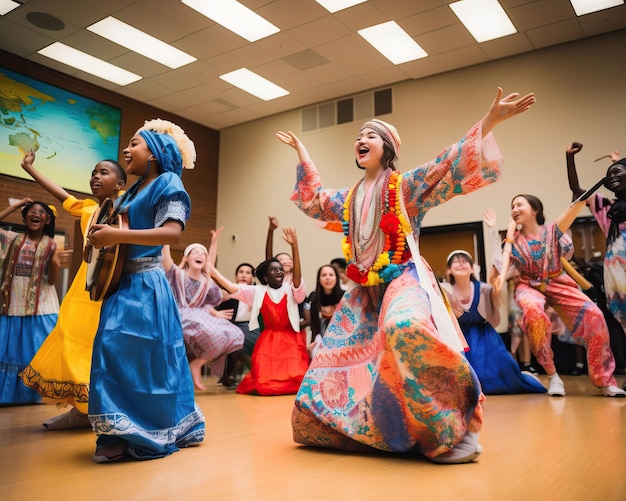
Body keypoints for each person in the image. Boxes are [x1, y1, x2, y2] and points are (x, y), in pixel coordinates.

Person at [277, 86, 536, 464]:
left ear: (388, 148)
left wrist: (490, 120)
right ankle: (380, 432)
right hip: (365, 291)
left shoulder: (406, 186)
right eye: (358, 136)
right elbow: (313, 200)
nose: (361, 140)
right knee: (333, 364)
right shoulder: (347, 199)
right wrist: (303, 153)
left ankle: (454, 428)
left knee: (404, 327)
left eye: (370, 135)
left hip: (404, 278)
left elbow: (446, 163)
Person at [86, 119, 205, 462]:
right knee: (110, 352)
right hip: (120, 285)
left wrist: (114, 236)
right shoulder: (131, 192)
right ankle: (116, 429)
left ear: (153, 153)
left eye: (135, 143)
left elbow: (171, 234)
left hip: (147, 285)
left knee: (147, 361)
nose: (126, 149)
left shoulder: (168, 182)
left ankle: (148, 428)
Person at [17, 153, 126, 429]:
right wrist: (30, 168)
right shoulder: (89, 209)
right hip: (82, 287)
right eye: (93, 173)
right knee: (68, 338)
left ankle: (94, 410)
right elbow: (59, 193)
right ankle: (78, 411)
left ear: (120, 184)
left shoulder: (127, 211)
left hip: (108, 288)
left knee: (94, 347)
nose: (95, 177)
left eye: (103, 173)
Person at [501, 194, 625, 397]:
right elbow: (504, 267)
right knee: (533, 313)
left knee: (594, 315)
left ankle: (604, 380)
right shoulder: (512, 242)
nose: (514, 208)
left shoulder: (552, 231)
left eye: (519, 204)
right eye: (512, 205)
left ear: (535, 209)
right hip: (528, 286)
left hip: (557, 280)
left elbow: (567, 244)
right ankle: (552, 375)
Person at [209, 227, 309, 396]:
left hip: (290, 339)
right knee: (263, 384)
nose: (278, 271)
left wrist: (295, 246)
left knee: (297, 380)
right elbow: (231, 287)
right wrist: (212, 272)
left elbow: (297, 278)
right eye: (273, 269)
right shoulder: (257, 291)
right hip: (268, 340)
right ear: (265, 277)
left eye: (280, 269)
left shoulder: (291, 290)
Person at [441, 250, 546, 394]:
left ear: (472, 268)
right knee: (466, 387)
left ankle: (526, 377)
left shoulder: (484, 289)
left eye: (465, 261)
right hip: (460, 340)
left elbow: (495, 321)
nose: (461, 264)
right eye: (456, 261)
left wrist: (495, 294)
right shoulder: (445, 291)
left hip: (486, 339)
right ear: (449, 270)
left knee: (497, 383)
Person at [162, 234, 244, 391]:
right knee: (204, 327)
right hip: (180, 315)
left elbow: (221, 292)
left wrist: (214, 312)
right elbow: (166, 257)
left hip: (199, 316)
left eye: (203, 254)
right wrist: (167, 233)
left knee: (235, 334)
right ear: (187, 257)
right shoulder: (178, 275)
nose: (199, 255)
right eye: (195, 252)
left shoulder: (207, 283)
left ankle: (198, 363)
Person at [0, 198, 60, 404]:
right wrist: (15, 206)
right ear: (25, 217)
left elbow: (52, 281)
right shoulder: (11, 239)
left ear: (48, 220)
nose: (35, 214)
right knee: (9, 354)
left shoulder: (53, 245)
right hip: (13, 308)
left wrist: (55, 263)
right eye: (31, 211)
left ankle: (35, 397)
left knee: (37, 353)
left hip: (42, 310)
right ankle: (8, 397)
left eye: (40, 212)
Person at [566, 142, 626, 348]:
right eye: (609, 174)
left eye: (618, 172)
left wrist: (618, 162)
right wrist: (569, 158)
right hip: (617, 279)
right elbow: (577, 190)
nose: (612, 176)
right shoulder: (607, 209)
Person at [216, 262, 261, 387]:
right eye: (241, 272)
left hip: (253, 328)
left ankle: (253, 372)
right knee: (233, 339)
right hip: (233, 327)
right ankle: (251, 373)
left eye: (248, 273)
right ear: (236, 276)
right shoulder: (229, 294)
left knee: (238, 339)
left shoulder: (258, 293)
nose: (244, 275)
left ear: (253, 277)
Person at [303, 264, 345, 357]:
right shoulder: (313, 297)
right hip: (320, 338)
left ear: (336, 278)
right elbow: (314, 326)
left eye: (331, 275)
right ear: (318, 279)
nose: (327, 278)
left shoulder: (344, 297)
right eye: (324, 275)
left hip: (341, 340)